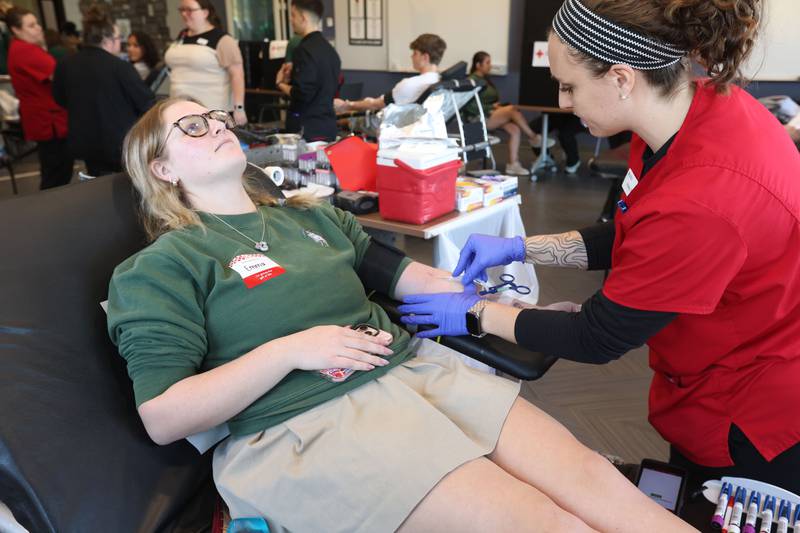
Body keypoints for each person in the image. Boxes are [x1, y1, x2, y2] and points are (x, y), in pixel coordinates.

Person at [106, 95, 694, 533]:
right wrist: (290, 349)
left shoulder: (313, 218)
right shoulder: (163, 266)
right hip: (307, 423)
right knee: (546, 523)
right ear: (161, 169)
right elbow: (163, 415)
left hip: (412, 372)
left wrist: (512, 307)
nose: (216, 126)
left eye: (216, 116)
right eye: (191, 126)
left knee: (595, 481)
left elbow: (425, 282)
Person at [399, 0, 800, 495]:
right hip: (713, 371)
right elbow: (637, 229)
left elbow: (598, 336)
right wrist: (521, 249)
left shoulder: (707, 194)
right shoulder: (689, 113)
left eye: (569, 87)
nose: (564, 104)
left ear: (621, 79)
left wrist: (475, 311)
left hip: (754, 405)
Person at [52, 5, 154, 177]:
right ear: (107, 39)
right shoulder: (120, 67)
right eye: (118, 38)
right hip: (120, 144)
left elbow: (59, 99)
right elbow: (146, 103)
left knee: (97, 185)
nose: (120, 43)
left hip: (85, 143)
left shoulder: (66, 64)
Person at [6, 7, 73, 189]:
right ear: (16, 30)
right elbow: (60, 75)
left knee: (56, 171)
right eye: (31, 25)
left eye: (37, 23)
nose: (38, 28)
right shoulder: (25, 50)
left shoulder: (21, 48)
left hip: (46, 119)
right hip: (48, 121)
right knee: (57, 173)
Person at [463, 51, 555, 176]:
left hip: (490, 114)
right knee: (512, 110)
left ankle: (513, 164)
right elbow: (468, 105)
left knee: (515, 129)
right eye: (487, 62)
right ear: (478, 65)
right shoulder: (471, 80)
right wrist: (491, 107)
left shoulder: (485, 80)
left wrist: (496, 106)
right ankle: (533, 138)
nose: (490, 65)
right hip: (477, 118)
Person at [165, 0, 246, 126]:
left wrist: (239, 108)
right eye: (182, 10)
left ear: (205, 12)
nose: (184, 14)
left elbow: (237, 75)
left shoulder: (223, 39)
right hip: (181, 109)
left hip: (211, 111)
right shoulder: (182, 35)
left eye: (190, 10)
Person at [275, 0, 340, 141]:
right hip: (328, 126)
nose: (291, 20)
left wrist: (280, 83)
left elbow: (301, 94)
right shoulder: (331, 51)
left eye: (293, 15)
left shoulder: (303, 50)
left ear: (303, 18)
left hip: (306, 130)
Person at [334, 33, 446, 113]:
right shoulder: (442, 84)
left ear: (425, 57)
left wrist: (346, 105)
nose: (411, 56)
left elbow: (376, 104)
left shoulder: (410, 84)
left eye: (415, 53)